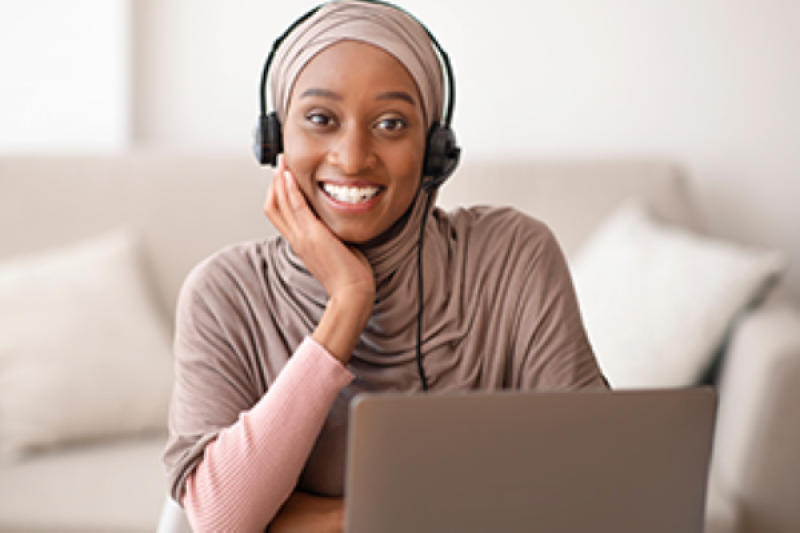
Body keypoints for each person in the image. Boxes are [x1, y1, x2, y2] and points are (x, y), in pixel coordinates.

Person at [162, 1, 608, 531]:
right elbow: (222, 519)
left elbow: (588, 484)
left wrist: (314, 519)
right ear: (275, 141)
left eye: (391, 124)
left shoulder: (513, 257)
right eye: (321, 120)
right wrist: (349, 301)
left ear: (435, 151)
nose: (352, 157)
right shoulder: (224, 293)